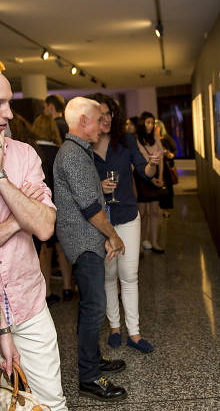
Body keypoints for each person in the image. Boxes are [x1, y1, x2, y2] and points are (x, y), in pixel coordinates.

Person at [0, 65, 68, 411]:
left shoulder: (23, 155)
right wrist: (16, 221)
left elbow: (45, 227)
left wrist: (0, 178)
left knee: (51, 401)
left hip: (29, 304)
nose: (9, 112)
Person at [53, 97, 128, 402]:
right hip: (83, 242)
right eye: (98, 119)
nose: (102, 125)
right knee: (94, 308)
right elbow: (90, 208)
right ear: (83, 121)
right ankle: (88, 377)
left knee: (92, 306)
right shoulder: (72, 155)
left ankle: (94, 362)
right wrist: (114, 236)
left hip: (86, 239)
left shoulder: (77, 152)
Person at [87, 94, 159, 354]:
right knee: (108, 276)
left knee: (129, 276)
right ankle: (115, 328)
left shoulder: (125, 140)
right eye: (100, 114)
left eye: (109, 114)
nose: (105, 119)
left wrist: (152, 163)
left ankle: (135, 333)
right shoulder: (85, 146)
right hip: (100, 221)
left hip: (128, 216)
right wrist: (99, 188)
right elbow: (81, 186)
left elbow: (144, 172)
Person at [31, 114, 74, 303]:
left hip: (42, 209)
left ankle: (47, 290)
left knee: (44, 252)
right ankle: (67, 287)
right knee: (62, 249)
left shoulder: (32, 153)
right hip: (63, 208)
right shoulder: (60, 152)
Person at [135, 111, 167, 253]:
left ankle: (154, 242)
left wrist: (159, 177)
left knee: (154, 211)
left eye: (152, 122)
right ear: (142, 123)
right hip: (142, 178)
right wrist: (152, 179)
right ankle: (140, 242)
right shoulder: (136, 139)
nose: (150, 125)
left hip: (155, 177)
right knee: (142, 213)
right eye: (148, 122)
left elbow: (160, 158)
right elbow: (139, 163)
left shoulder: (155, 138)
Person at [155, 119, 178, 218]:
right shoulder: (151, 139)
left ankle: (166, 210)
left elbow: (174, 150)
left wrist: (170, 155)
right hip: (155, 166)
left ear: (160, 127)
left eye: (156, 126)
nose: (154, 128)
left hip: (166, 167)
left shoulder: (166, 138)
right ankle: (158, 208)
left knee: (166, 188)